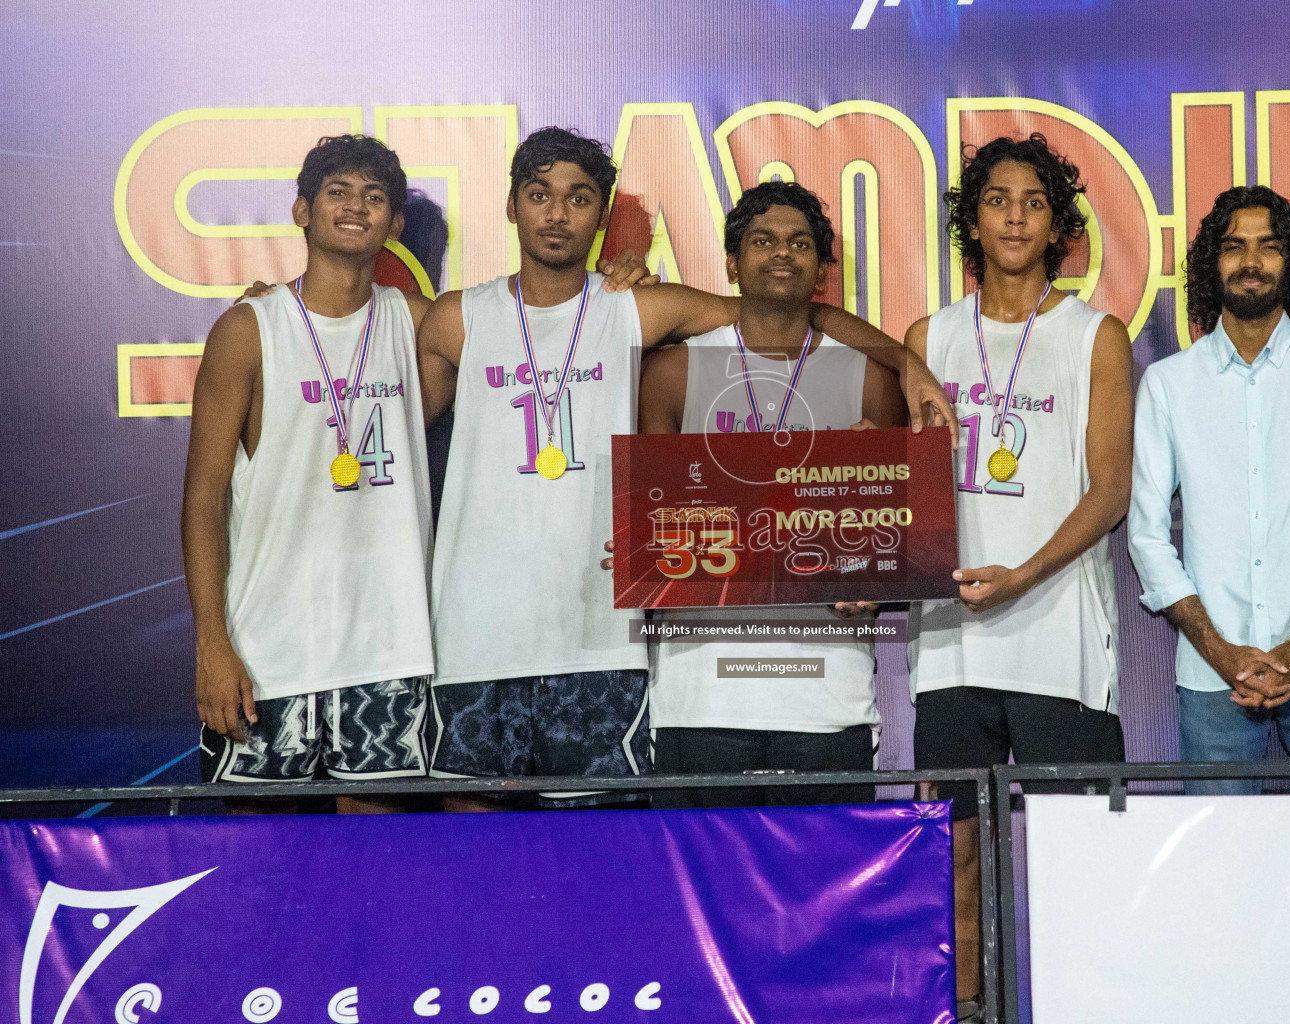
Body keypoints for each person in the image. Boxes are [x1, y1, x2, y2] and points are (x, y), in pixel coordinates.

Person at [418, 128, 955, 809]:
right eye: (540, 196)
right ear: (511, 206)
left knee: (604, 854)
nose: (557, 214)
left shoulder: (637, 310)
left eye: (578, 198)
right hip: (477, 632)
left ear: (601, 215)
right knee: (473, 841)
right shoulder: (453, 319)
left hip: (602, 642)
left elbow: (783, 311)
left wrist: (908, 364)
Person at [905, 134, 1135, 1016]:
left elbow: (1109, 489)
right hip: (953, 650)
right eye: (997, 198)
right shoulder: (930, 335)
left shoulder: (1093, 336)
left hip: (1060, 641)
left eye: (1033, 202)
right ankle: (964, 1006)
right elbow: (902, 493)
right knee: (956, 847)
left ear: (1057, 224)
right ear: (973, 217)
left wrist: (1025, 575)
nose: (1014, 215)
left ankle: (1092, 1002)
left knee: (1078, 846)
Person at [184, 135, 434, 810]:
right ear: (302, 210)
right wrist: (212, 643)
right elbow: (203, 499)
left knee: (382, 880)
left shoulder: (417, 324)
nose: (357, 207)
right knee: (256, 872)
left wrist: (624, 278)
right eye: (338, 192)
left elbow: (544, 328)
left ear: (396, 224)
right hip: (267, 653)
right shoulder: (248, 329)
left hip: (391, 651)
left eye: (376, 196)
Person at [636, 181, 904, 808]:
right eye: (762, 240)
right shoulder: (675, 372)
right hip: (701, 696)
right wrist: (641, 548)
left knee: (820, 901)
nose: (781, 253)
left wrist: (872, 572)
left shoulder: (868, 379)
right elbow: (651, 523)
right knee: (701, 898)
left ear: (820, 267)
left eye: (799, 242)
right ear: (733, 263)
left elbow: (896, 540)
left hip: (826, 697)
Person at [1128, 185, 1290, 796]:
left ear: (1289, 263)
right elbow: (1145, 535)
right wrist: (1222, 655)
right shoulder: (1168, 385)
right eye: (1234, 247)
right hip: (1212, 675)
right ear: (1210, 265)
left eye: (1268, 247)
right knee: (1220, 871)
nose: (1251, 262)